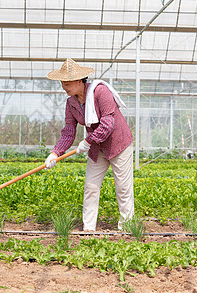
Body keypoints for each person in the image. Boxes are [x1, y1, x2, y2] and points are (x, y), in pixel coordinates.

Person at [44, 58, 134, 231]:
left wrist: (87, 141)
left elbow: (108, 123)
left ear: (79, 81)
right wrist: (55, 153)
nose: (64, 86)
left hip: (118, 145)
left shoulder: (100, 92)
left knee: (123, 188)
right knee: (91, 187)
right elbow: (69, 130)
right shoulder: (71, 102)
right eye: (62, 83)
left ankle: (127, 229)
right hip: (96, 148)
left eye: (67, 83)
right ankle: (89, 229)